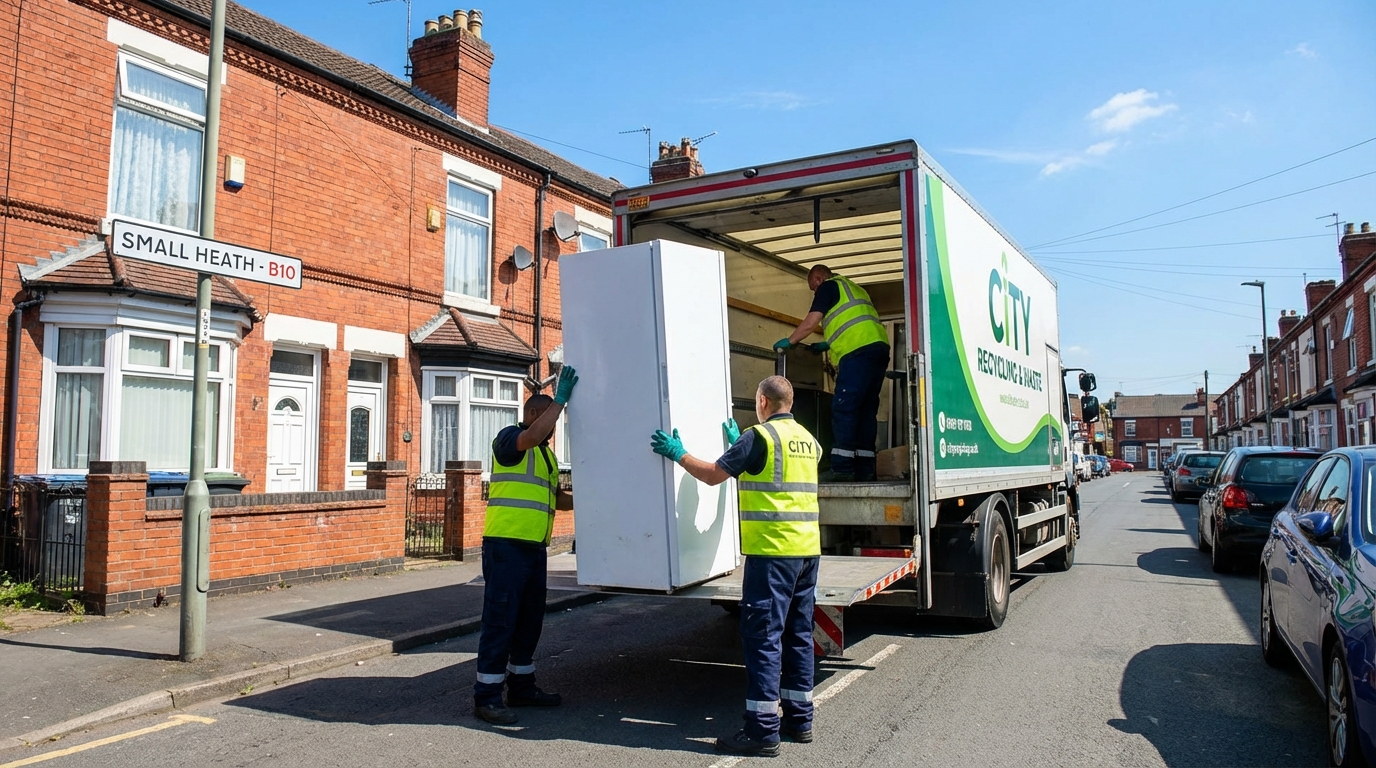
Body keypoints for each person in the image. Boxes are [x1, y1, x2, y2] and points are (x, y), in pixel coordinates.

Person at [649, 375, 821, 757]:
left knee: (763, 638)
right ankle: (799, 719)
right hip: (808, 553)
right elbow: (776, 476)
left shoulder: (757, 438)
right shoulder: (809, 441)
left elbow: (713, 476)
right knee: (797, 635)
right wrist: (737, 447)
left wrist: (678, 452)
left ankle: (762, 731)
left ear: (762, 401)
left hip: (773, 555)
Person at [472, 365, 579, 725]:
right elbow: (532, 436)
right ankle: (486, 696)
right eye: (548, 414)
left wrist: (590, 497)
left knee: (529, 621)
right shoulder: (509, 439)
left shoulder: (546, 456)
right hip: (506, 547)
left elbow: (555, 499)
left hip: (533, 549)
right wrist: (559, 402)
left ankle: (522, 685)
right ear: (533, 413)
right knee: (501, 620)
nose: (553, 424)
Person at [773, 264, 890, 482]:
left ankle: (843, 469)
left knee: (844, 408)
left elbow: (810, 322)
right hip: (878, 349)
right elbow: (854, 322)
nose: (814, 292)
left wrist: (790, 341)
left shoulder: (828, 287)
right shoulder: (854, 288)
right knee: (865, 410)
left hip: (857, 353)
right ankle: (865, 469)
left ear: (818, 278)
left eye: (812, 288)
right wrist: (827, 344)